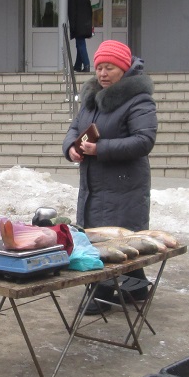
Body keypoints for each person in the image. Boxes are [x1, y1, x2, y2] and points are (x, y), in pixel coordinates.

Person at [62, 39, 158, 312]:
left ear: (124, 69)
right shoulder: (92, 98)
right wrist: (71, 147)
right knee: (100, 235)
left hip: (124, 186)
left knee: (114, 240)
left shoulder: (138, 100)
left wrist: (100, 149)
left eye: (110, 68)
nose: (103, 74)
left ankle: (102, 294)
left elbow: (144, 141)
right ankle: (136, 288)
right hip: (94, 186)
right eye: (99, 67)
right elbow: (74, 128)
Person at [67, 0, 94, 73]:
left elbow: (72, 11)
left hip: (77, 24)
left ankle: (86, 65)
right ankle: (78, 65)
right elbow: (90, 11)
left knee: (81, 44)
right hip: (86, 24)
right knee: (79, 43)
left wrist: (72, 26)